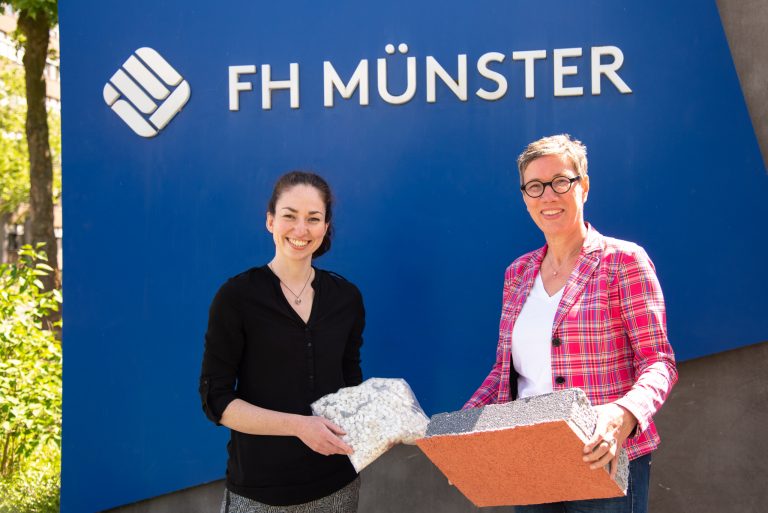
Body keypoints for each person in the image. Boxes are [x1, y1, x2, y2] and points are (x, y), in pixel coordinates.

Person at [463, 135, 678, 513]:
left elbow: (658, 361)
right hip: (529, 459)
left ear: (584, 186)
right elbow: (504, 374)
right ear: (525, 197)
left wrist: (623, 414)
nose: (548, 195)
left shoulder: (624, 261)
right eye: (535, 186)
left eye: (560, 181)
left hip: (603, 458)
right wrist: (462, 429)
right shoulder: (517, 273)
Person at [199, 171, 365, 513]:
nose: (301, 229)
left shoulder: (346, 298)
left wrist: (385, 423)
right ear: (270, 221)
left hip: (337, 485)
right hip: (260, 492)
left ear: (325, 226)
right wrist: (299, 426)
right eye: (290, 216)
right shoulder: (237, 297)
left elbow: (351, 387)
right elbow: (216, 399)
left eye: (313, 219)